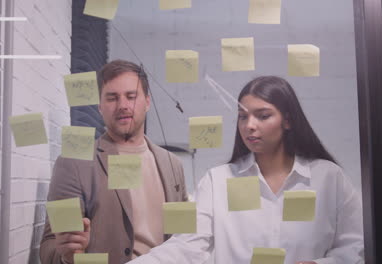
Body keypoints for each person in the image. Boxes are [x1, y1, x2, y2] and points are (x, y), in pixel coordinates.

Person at [127, 76, 364, 264]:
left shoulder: (328, 178)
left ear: (288, 121)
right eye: (243, 117)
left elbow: (357, 247)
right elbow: (186, 246)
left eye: (263, 116)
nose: (249, 126)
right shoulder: (218, 181)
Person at [40, 60, 188, 264]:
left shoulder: (172, 164)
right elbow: (49, 245)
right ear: (100, 106)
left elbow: (184, 237)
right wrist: (68, 255)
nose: (123, 106)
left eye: (131, 96)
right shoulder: (73, 163)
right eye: (112, 98)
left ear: (147, 101)